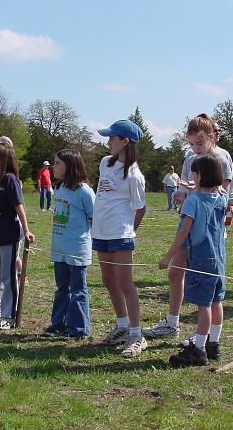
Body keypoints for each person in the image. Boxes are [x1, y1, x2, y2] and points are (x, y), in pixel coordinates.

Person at [144, 114, 233, 339]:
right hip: (188, 218)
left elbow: (226, 190)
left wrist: (230, 205)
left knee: (206, 284)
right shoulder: (189, 158)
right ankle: (172, 323)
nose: (195, 148)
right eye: (191, 144)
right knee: (176, 273)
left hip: (208, 229)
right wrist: (180, 193)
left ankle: (205, 337)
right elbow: (185, 184)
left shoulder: (222, 158)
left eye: (199, 143)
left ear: (211, 137)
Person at [160, 154, 226, 367]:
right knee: (217, 301)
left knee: (204, 304)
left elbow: (183, 232)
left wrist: (168, 256)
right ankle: (213, 344)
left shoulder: (193, 202)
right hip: (219, 258)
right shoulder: (221, 199)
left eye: (194, 173)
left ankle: (198, 349)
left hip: (200, 258)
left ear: (199, 176)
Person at [92, 119, 147, 357]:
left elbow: (140, 208)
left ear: (125, 142)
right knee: (108, 281)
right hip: (101, 233)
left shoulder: (134, 176)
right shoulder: (105, 163)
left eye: (112, 138)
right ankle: (122, 325)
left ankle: (137, 335)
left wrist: (130, 231)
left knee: (125, 283)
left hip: (120, 235)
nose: (108, 142)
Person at [0, 143, 34, 330]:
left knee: (8, 276)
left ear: (2, 161)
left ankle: (9, 315)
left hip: (9, 235)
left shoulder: (10, 180)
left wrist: (26, 230)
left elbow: (18, 206)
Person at [44, 149, 96, 338]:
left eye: (58, 163)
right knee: (62, 288)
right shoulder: (59, 188)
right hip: (60, 248)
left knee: (77, 290)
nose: (53, 167)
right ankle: (58, 323)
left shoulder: (85, 192)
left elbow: (94, 219)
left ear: (70, 166)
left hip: (76, 249)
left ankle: (78, 328)